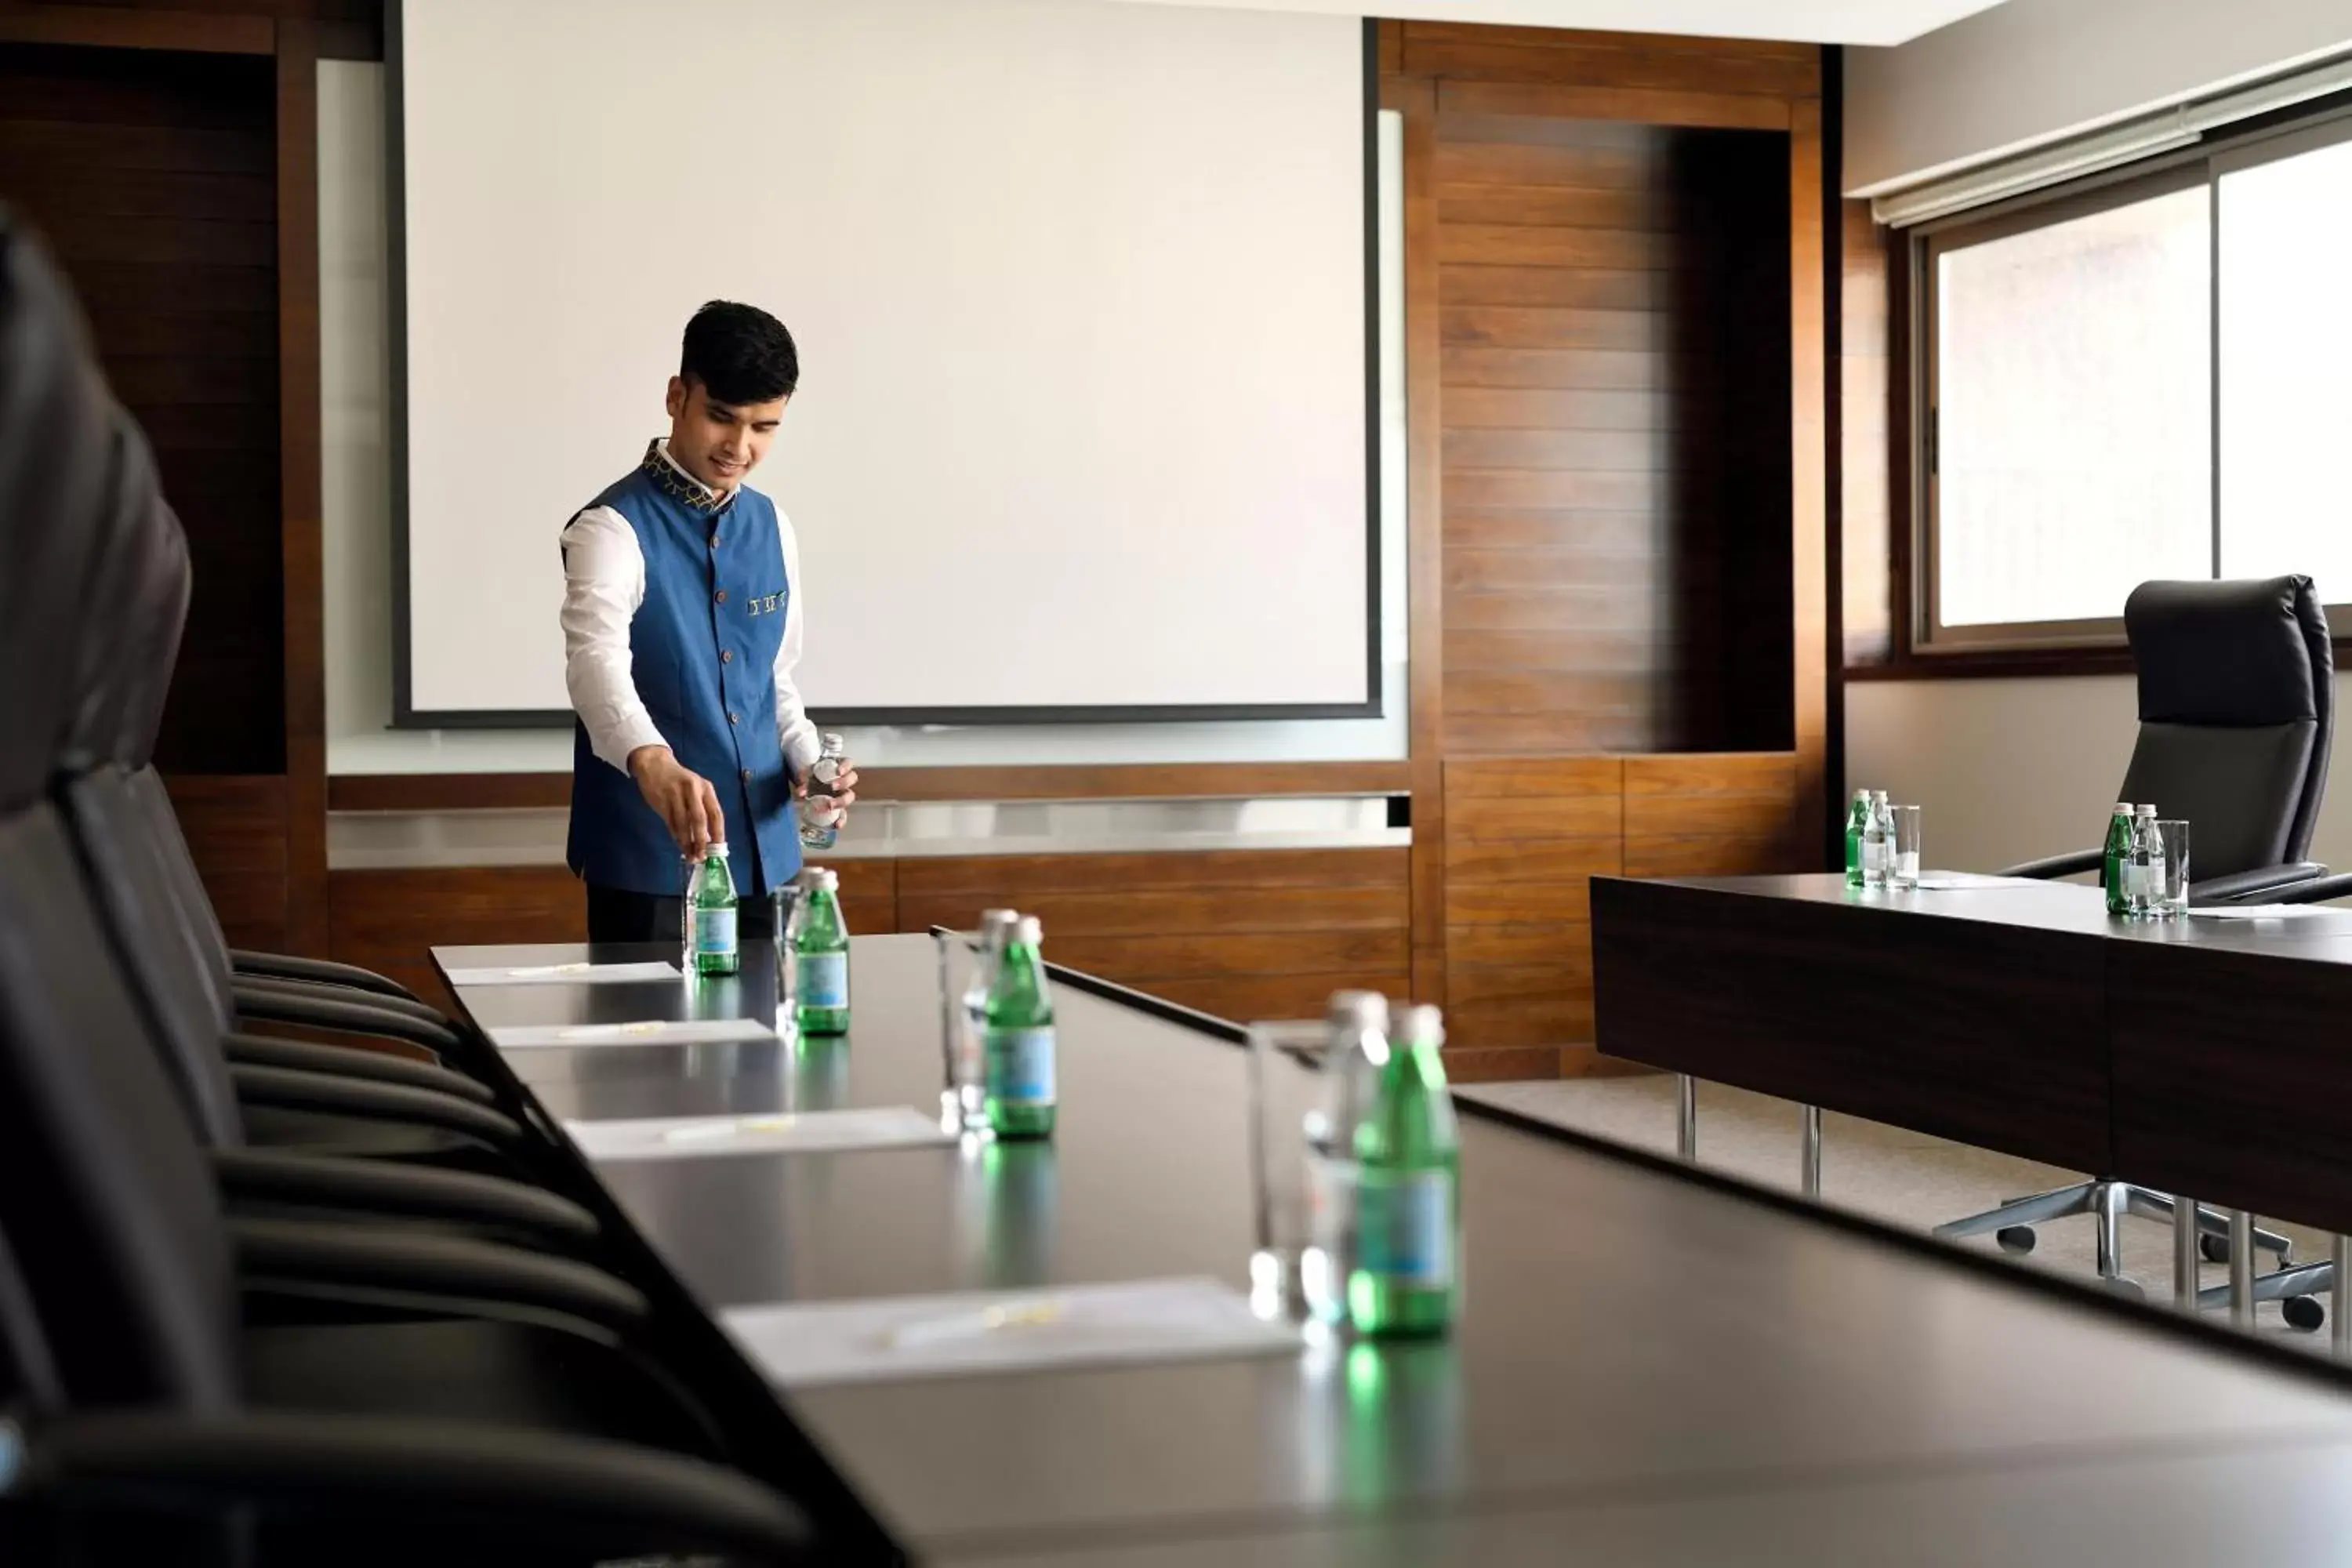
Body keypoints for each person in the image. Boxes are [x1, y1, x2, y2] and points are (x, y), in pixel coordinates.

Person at [559, 300, 855, 943]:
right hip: (648, 865)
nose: (740, 448)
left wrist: (810, 763)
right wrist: (653, 762)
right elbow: (594, 666)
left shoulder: (774, 526)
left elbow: (772, 681)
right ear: (677, 398)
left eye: (764, 427)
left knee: (772, 1040)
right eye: (722, 418)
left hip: (768, 861)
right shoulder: (610, 528)